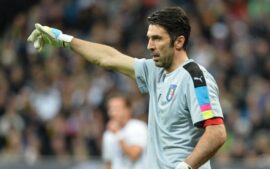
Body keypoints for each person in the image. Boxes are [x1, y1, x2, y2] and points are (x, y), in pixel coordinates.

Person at [27, 6, 227, 169]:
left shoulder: (195, 78)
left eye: (157, 38)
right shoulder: (154, 71)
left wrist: (185, 167)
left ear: (179, 41)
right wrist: (64, 40)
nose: (149, 45)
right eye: (149, 38)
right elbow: (108, 58)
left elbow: (217, 133)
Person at [102, 94, 147, 169]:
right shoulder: (108, 134)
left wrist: (118, 134)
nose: (112, 113)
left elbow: (134, 155)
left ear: (128, 110)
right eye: (110, 109)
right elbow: (108, 163)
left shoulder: (138, 127)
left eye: (116, 108)